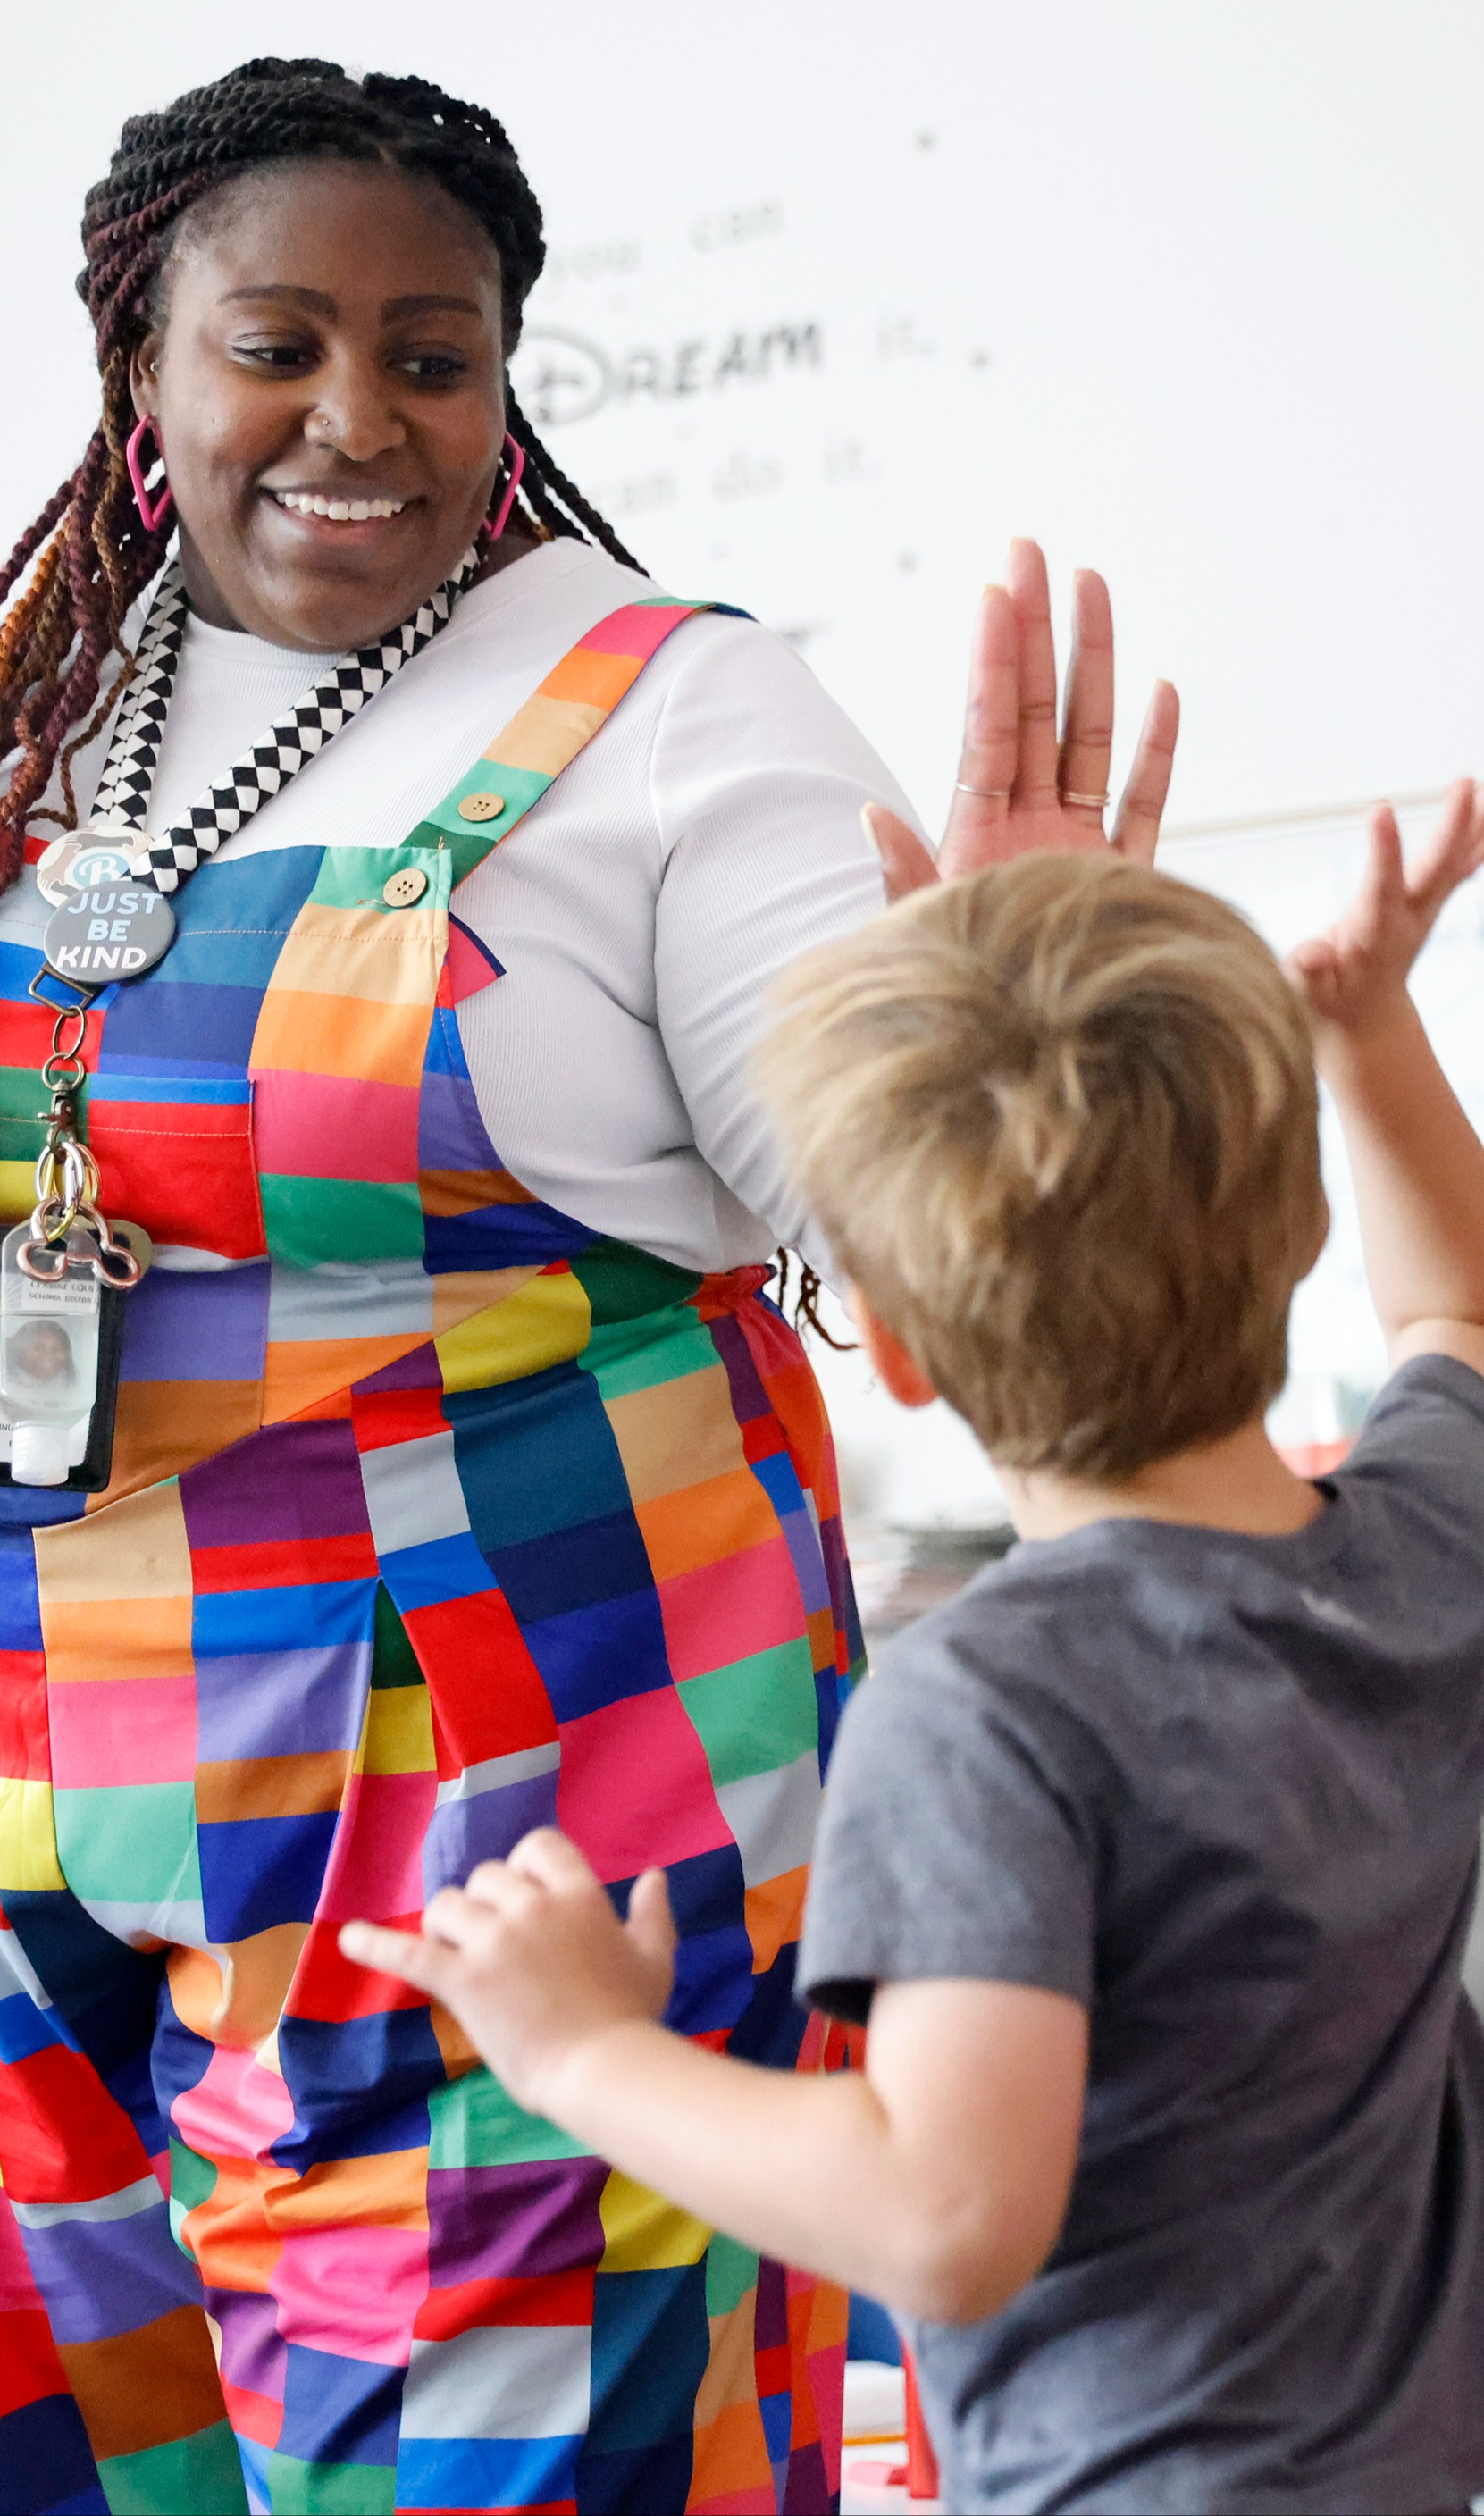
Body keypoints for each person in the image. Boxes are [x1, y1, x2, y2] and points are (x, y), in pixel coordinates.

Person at [0, 54, 1176, 2516]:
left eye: (431, 357)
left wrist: (1015, 1008)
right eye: (277, 345)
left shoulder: (674, 711)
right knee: (51, 2464)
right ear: (140, 363)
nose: (359, 419)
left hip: (501, 1812)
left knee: (499, 2447)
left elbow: (945, 1256)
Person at [345, 792, 1484, 2514]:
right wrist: (1369, 1028)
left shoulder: (986, 1705)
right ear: (1297, 1230)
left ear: (882, 1342)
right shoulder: (1412, 1552)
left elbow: (945, 2215)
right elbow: (1454, 1311)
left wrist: (585, 2052)